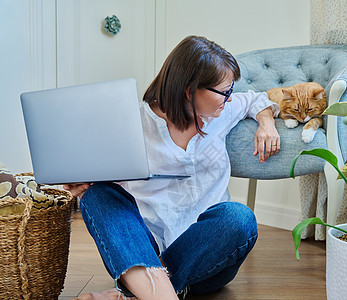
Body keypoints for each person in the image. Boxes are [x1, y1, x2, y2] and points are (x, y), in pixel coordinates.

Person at [65, 35, 280, 300]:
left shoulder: (222, 111)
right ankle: (160, 292)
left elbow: (258, 99)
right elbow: (98, 175)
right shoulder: (132, 123)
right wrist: (83, 183)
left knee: (239, 218)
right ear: (190, 91)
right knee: (98, 196)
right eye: (224, 92)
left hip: (206, 259)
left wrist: (266, 123)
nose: (229, 98)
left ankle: (138, 293)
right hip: (144, 250)